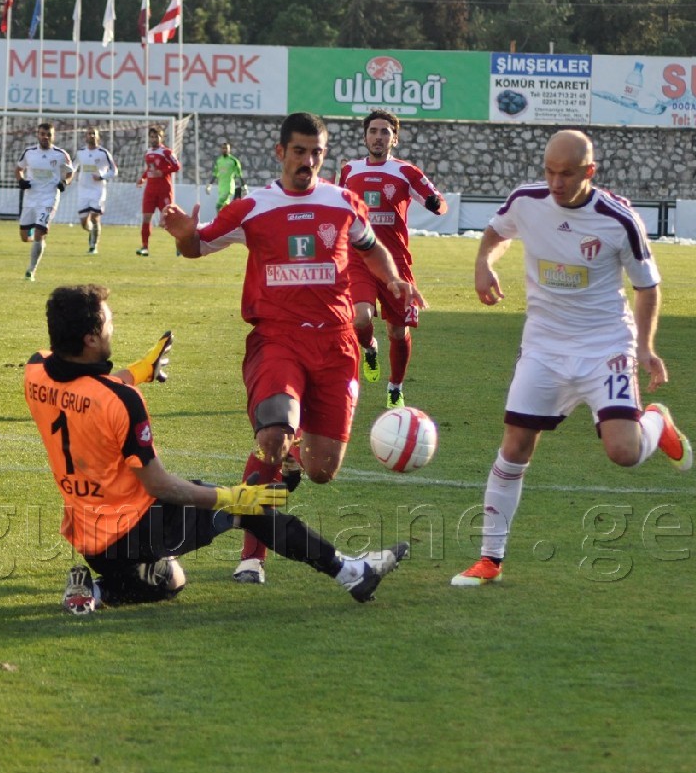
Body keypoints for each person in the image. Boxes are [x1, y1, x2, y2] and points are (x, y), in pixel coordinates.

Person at [24, 283, 409, 613]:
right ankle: (351, 573)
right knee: (249, 510)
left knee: (170, 580)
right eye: (108, 321)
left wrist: (140, 371)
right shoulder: (121, 402)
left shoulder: (36, 369)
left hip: (86, 535)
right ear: (91, 338)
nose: (113, 326)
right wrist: (231, 497)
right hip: (133, 530)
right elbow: (162, 487)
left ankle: (90, 589)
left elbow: (82, 390)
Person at [163, 111, 422, 586]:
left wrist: (394, 278)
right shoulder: (253, 207)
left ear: (325, 155)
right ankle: (250, 555)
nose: (307, 161)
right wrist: (183, 236)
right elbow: (198, 246)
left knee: (321, 469)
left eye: (316, 153)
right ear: (281, 152)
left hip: (337, 344)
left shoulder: (343, 203)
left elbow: (371, 248)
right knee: (274, 436)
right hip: (277, 339)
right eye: (299, 152)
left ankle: (263, 488)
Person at [451, 130, 693, 588]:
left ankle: (656, 423)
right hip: (544, 345)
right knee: (515, 445)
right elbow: (495, 234)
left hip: (605, 347)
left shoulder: (618, 218)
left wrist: (644, 347)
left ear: (589, 172)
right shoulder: (527, 201)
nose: (556, 183)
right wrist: (485, 263)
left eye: (566, 174)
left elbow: (647, 287)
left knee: (622, 452)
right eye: (549, 171)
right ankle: (489, 558)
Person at [338, 109, 447, 408]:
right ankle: (369, 348)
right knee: (360, 317)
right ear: (365, 136)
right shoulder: (349, 170)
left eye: (385, 132)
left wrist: (435, 204)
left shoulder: (406, 172)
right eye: (373, 131)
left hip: (395, 264)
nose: (378, 136)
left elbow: (438, 202)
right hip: (359, 257)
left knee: (398, 331)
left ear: (394, 138)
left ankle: (395, 386)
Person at [16, 122, 74, 281]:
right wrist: (21, 180)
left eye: (48, 135)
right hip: (31, 198)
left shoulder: (61, 154)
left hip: (49, 197)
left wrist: (65, 183)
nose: (45, 137)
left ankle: (31, 271)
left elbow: (70, 173)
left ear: (53, 136)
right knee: (23, 236)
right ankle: (37, 240)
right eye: (42, 134)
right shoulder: (29, 152)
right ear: (38, 134)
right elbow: (19, 169)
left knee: (40, 232)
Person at [134, 125, 180, 256]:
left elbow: (177, 166)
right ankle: (144, 247)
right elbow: (150, 169)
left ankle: (180, 245)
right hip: (150, 190)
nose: (154, 139)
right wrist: (143, 178)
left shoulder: (166, 152)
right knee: (146, 218)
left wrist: (163, 171)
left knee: (169, 220)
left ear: (161, 137)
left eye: (156, 136)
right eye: (152, 136)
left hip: (164, 190)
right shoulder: (148, 152)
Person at [74, 126, 118, 255]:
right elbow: (73, 167)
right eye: (89, 133)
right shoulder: (80, 152)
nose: (91, 136)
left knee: (95, 217)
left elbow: (114, 170)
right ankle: (93, 232)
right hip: (83, 190)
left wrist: (101, 177)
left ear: (98, 137)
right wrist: (68, 177)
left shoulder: (103, 153)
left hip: (97, 190)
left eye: (94, 134)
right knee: (84, 222)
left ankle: (93, 246)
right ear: (85, 137)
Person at [206, 141, 244, 212]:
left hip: (229, 187)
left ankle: (218, 222)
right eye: (223, 148)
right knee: (225, 208)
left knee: (218, 205)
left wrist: (244, 186)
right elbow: (215, 174)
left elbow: (239, 175)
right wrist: (210, 185)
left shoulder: (234, 161)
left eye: (226, 148)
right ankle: (228, 222)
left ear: (229, 150)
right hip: (221, 188)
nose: (224, 150)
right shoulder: (219, 161)